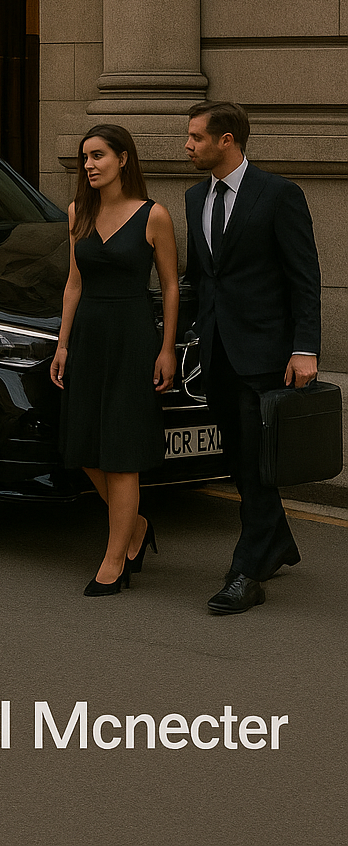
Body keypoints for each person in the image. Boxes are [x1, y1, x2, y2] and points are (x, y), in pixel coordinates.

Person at [184, 101, 321, 615]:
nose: (187, 146)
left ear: (227, 140)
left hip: (265, 352)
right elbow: (201, 278)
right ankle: (276, 540)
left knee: (255, 461)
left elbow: (304, 277)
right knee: (237, 456)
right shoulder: (195, 196)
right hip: (215, 352)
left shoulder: (279, 194)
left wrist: (305, 348)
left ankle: (248, 571)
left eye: (197, 137)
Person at [51, 125, 178, 597]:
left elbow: (169, 286)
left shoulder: (153, 215)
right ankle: (136, 526)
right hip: (88, 337)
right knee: (84, 447)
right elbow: (74, 283)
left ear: (123, 159)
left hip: (132, 338)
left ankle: (113, 558)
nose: (89, 165)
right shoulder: (77, 212)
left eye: (98, 155)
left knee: (122, 455)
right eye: (85, 157)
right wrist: (63, 344)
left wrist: (166, 348)